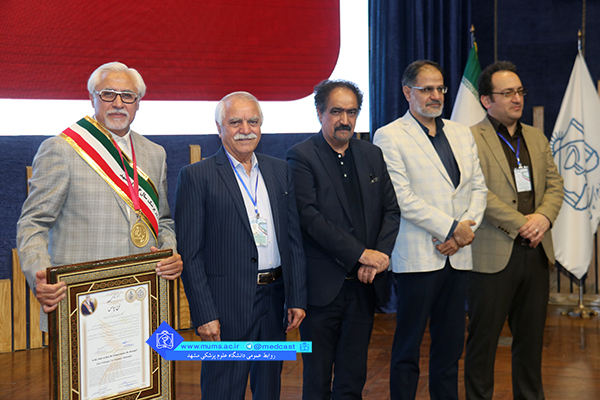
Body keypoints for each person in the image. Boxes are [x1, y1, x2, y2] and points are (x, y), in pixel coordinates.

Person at [17, 61, 182, 331]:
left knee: (153, 360)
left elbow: (163, 221)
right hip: (81, 300)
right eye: (108, 94)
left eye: (127, 96)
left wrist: (170, 253)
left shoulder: (155, 153)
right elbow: (32, 223)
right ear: (92, 97)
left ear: (138, 103)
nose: (118, 103)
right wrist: (42, 276)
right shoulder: (61, 149)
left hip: (142, 297)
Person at [175, 91, 306, 400]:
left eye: (253, 121)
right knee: (223, 390)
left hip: (275, 301)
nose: (245, 129)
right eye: (235, 122)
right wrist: (204, 313)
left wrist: (297, 296)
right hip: (226, 305)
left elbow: (293, 239)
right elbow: (190, 255)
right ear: (219, 128)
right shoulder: (197, 176)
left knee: (269, 388)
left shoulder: (279, 170)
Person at [373, 60, 487, 400]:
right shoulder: (389, 135)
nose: (436, 95)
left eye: (440, 88)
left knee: (450, 347)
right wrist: (452, 229)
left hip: (457, 256)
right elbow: (402, 198)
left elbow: (478, 188)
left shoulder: (461, 132)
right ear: (408, 92)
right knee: (407, 348)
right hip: (419, 258)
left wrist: (463, 231)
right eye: (427, 89)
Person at [286, 80, 400, 399]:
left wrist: (379, 257)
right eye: (336, 112)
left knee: (353, 377)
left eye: (352, 112)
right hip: (322, 291)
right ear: (320, 113)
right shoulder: (301, 156)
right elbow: (309, 218)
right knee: (317, 380)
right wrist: (361, 254)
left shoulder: (371, 154)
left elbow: (391, 210)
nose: (345, 120)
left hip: (364, 286)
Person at [465, 61, 564, 400]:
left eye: (519, 91)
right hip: (492, 255)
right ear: (486, 100)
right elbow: (477, 192)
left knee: (531, 342)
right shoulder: (469, 138)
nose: (517, 98)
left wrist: (543, 219)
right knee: (483, 344)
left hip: (536, 253)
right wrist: (523, 224)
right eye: (507, 93)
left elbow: (555, 185)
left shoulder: (536, 137)